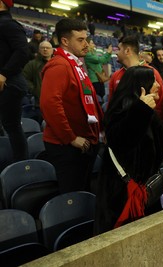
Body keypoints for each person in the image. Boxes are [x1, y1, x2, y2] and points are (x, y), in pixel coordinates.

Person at [95, 66, 163, 234]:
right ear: (141, 85)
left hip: (144, 193)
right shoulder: (124, 109)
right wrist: (141, 110)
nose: (158, 85)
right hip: (122, 196)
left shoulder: (147, 109)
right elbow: (124, 141)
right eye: (153, 81)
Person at [40, 18, 103, 194]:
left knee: (82, 190)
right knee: (73, 194)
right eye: (80, 40)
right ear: (65, 41)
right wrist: (71, 137)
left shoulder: (75, 63)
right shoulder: (60, 65)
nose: (86, 44)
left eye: (86, 39)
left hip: (83, 141)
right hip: (68, 146)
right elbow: (50, 104)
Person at [108, 36, 163, 121]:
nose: (116, 52)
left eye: (119, 49)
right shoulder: (115, 76)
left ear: (127, 51)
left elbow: (161, 105)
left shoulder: (152, 73)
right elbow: (111, 107)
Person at [0, 0, 30, 161]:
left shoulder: (8, 24)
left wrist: (4, 74)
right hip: (8, 82)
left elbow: (22, 51)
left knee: (12, 126)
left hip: (9, 83)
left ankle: (23, 167)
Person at [23, 40, 53, 123]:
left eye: (47, 48)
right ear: (39, 50)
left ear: (52, 50)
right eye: (43, 48)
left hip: (56, 102)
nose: (45, 50)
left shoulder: (57, 64)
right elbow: (24, 78)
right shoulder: (32, 64)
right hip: (40, 104)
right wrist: (34, 89)